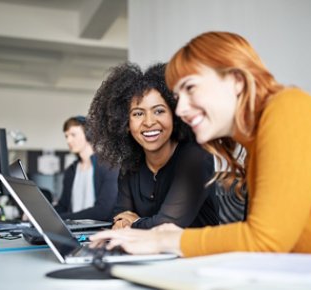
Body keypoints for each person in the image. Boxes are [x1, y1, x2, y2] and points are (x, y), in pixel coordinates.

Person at [90, 31, 311, 256]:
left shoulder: (288, 110)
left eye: (191, 88)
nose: (182, 109)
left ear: (237, 81)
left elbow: (265, 240)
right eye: (179, 97)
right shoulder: (259, 140)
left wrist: (165, 240)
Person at [87, 62, 221, 230]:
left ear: (175, 115)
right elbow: (119, 220)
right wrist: (126, 223)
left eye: (159, 111)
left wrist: (134, 223)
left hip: (198, 254)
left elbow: (168, 226)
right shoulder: (130, 165)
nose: (149, 122)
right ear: (125, 123)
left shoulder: (196, 158)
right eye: (138, 114)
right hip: (148, 254)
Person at [54, 116, 119, 221]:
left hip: (98, 231)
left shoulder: (109, 167)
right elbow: (63, 206)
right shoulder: (71, 170)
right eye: (66, 136)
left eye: (73, 135)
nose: (68, 140)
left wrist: (61, 218)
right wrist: (39, 216)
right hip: (73, 230)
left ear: (88, 134)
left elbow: (103, 211)